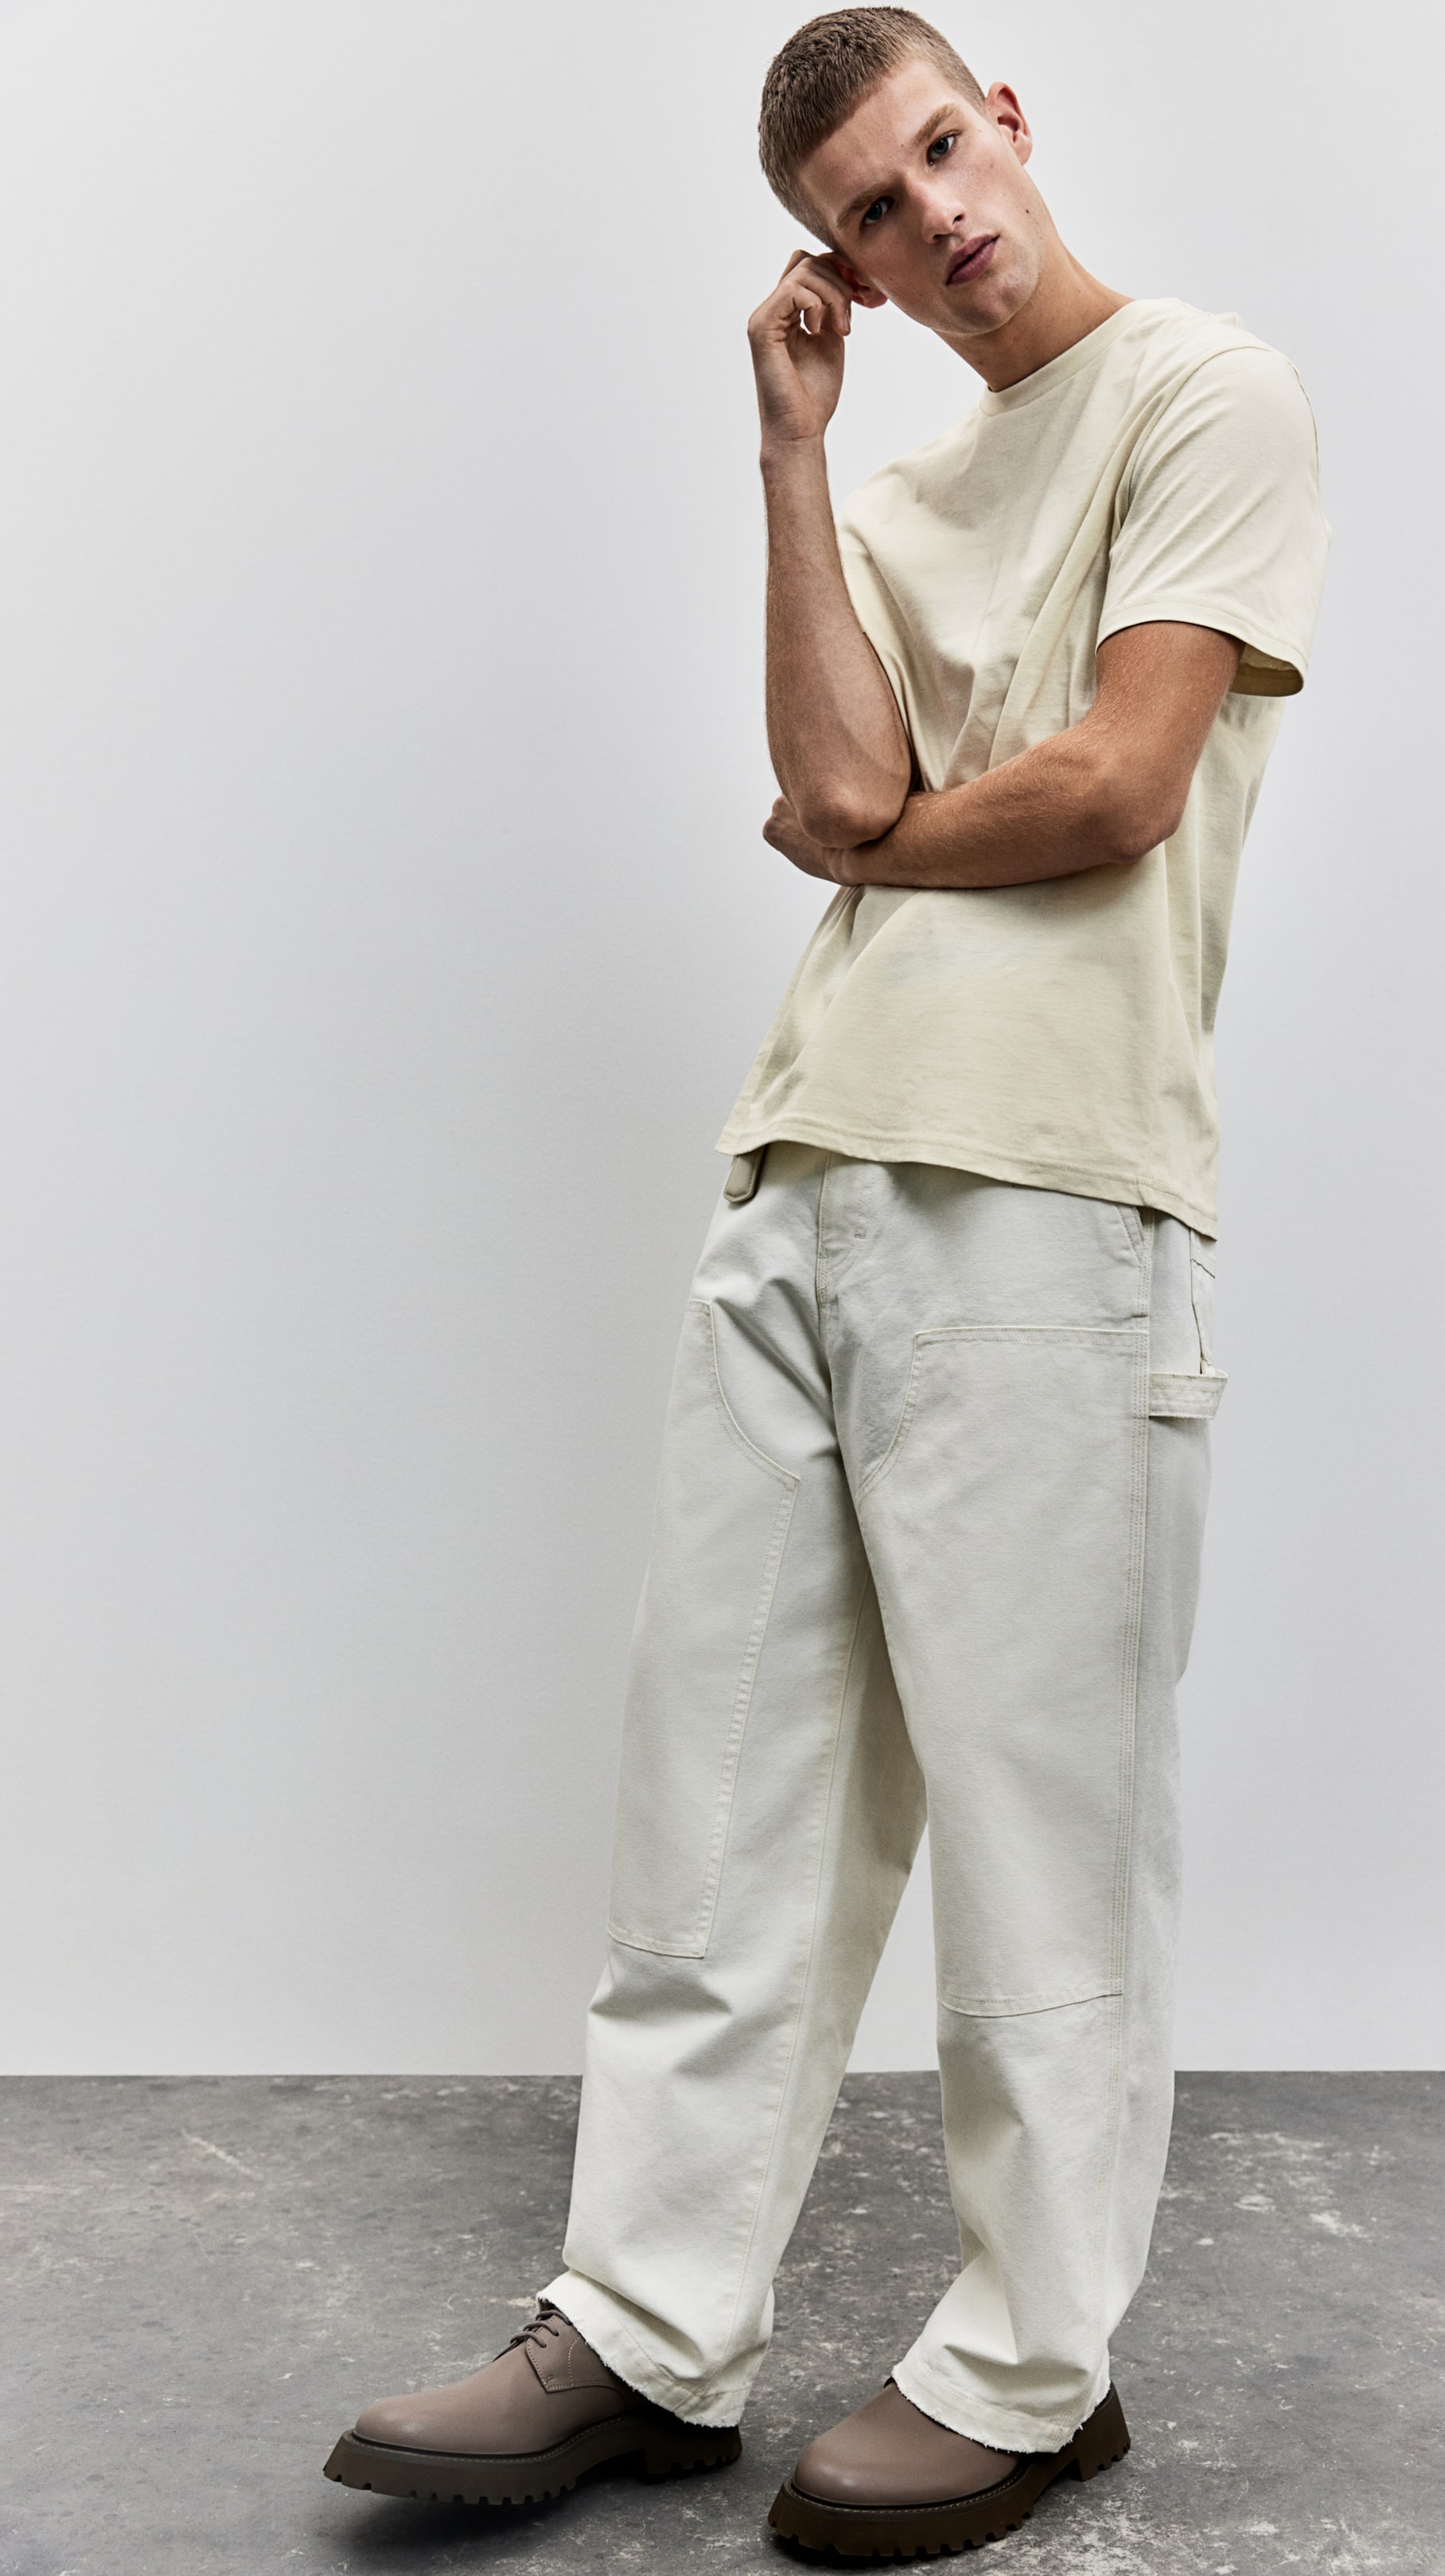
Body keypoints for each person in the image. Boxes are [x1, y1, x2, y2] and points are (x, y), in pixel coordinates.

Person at [323, 6, 1328, 2555]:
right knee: (722, 1804)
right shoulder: (886, 492)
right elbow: (829, 783)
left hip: (1054, 1186)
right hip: (801, 1172)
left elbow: (1117, 784)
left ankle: (1034, 2367)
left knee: (1041, 1828)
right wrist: (788, 448)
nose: (935, 216)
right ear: (842, 264)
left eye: (944, 151)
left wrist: (882, 834)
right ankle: (648, 2330)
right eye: (872, 210)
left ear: (1015, 121)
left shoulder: (1203, 394)